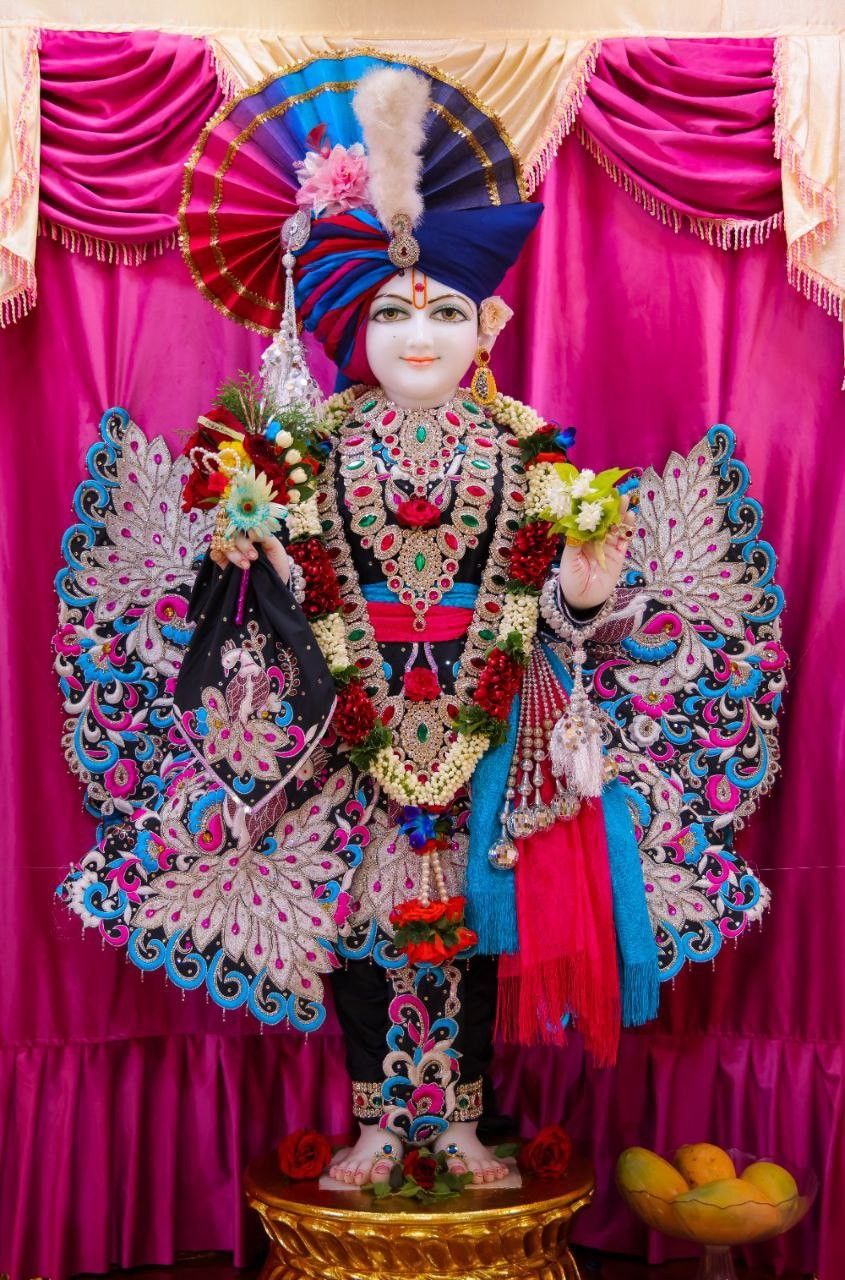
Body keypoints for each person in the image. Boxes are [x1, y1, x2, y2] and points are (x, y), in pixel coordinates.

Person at [56, 53, 785, 1193]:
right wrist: (241, 541)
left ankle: (463, 1117)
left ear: (483, 322)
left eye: (442, 310)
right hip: (345, 717)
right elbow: (274, 581)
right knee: (357, 914)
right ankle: (374, 1122)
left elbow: (557, 598)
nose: (417, 334)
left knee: (480, 907)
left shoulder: (525, 448)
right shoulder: (306, 443)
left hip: (487, 715)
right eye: (393, 312)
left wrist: (587, 585)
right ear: (354, 326)